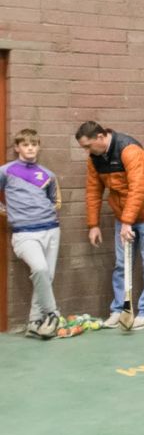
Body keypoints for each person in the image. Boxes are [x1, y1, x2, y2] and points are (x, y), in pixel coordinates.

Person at [77, 121, 144, 330]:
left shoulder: (130, 150)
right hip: (123, 214)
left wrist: (128, 222)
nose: (86, 151)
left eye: (87, 146)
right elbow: (93, 191)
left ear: (100, 138)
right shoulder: (94, 158)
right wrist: (93, 224)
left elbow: (138, 188)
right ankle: (119, 310)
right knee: (121, 265)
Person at [1, 129, 62, 339]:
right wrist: (7, 212)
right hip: (24, 234)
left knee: (46, 276)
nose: (30, 148)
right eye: (25, 144)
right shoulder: (6, 171)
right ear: (17, 147)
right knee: (40, 269)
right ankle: (53, 314)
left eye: (34, 144)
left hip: (51, 229)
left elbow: (54, 201)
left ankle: (34, 322)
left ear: (39, 147)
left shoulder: (48, 175)